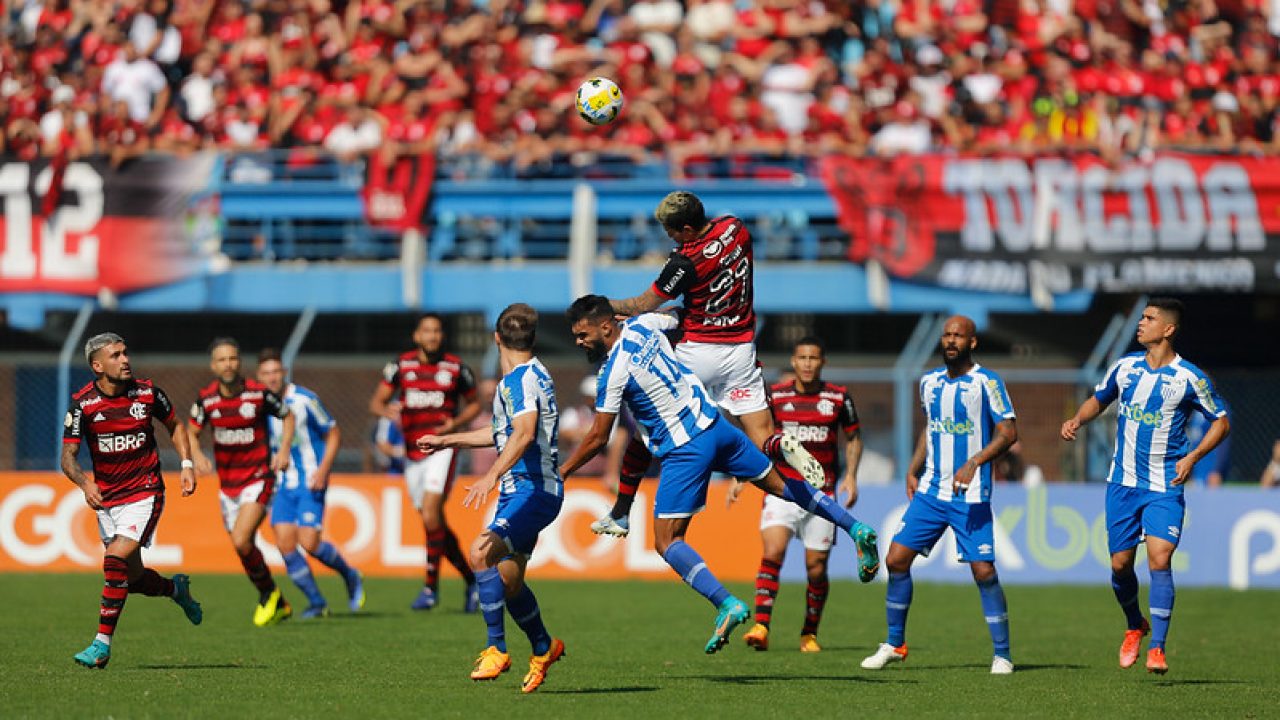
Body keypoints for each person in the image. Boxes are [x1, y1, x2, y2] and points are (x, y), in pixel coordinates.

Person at [561, 295, 880, 654]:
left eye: (582, 333)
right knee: (782, 486)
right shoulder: (644, 325)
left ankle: (726, 603)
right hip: (716, 425)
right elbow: (682, 318)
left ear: (606, 327)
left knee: (667, 542)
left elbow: (597, 437)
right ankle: (856, 528)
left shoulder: (611, 372)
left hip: (686, 447)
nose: (578, 342)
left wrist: (564, 471)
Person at [593, 190, 824, 536]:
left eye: (671, 231)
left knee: (645, 432)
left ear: (687, 228)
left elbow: (643, 304)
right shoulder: (736, 228)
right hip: (742, 347)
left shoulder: (684, 263)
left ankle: (622, 511)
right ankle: (784, 446)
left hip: (698, 350)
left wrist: (599, 306)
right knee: (762, 435)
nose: (669, 237)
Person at [1062, 298, 1230, 675]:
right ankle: (1135, 623)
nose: (1141, 323)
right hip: (1122, 483)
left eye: (1149, 318)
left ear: (1168, 329)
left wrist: (1192, 458)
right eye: (1142, 316)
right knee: (1121, 566)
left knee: (1159, 559)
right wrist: (1077, 419)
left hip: (1163, 485)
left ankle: (1158, 648)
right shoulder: (1124, 368)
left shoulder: (1189, 378)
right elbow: (1098, 399)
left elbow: (1221, 422)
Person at [417, 304, 566, 694]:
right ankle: (543, 646)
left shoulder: (518, 381)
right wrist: (447, 440)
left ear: (496, 339)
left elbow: (524, 432)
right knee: (508, 580)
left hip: (532, 490)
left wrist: (490, 474)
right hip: (526, 491)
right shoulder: (531, 375)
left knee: (479, 552)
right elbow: (503, 433)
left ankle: (496, 648)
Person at [861, 316, 1019, 675]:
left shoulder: (987, 382)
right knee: (896, 560)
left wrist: (975, 461)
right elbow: (930, 430)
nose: (950, 341)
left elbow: (1008, 432)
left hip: (970, 493)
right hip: (931, 491)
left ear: (972, 342)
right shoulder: (928, 382)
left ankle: (1003, 654)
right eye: (946, 335)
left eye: (958, 336)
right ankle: (895, 643)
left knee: (983, 570)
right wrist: (913, 469)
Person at [62, 333, 203, 669]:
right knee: (132, 578)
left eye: (125, 353)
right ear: (97, 366)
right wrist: (84, 483)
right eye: (116, 355)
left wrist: (186, 464)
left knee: (114, 560)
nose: (125, 360)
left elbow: (176, 426)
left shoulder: (148, 393)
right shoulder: (83, 404)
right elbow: (67, 456)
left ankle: (101, 645)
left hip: (145, 491)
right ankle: (175, 590)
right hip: (108, 500)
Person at [741, 336, 863, 654]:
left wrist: (851, 474)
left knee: (816, 567)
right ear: (793, 362)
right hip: (783, 490)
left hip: (822, 495)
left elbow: (853, 438)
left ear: (822, 362)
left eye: (814, 358)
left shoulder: (838, 398)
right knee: (773, 551)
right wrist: (744, 473)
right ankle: (762, 626)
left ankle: (809, 633)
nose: (808, 363)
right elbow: (760, 436)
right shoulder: (776, 396)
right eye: (802, 358)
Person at [369, 313, 481, 611]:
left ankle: (430, 589)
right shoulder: (400, 366)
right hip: (412, 452)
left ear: (441, 336)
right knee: (433, 523)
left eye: (436, 331)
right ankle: (472, 582)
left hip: (442, 448)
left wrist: (454, 424)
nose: (432, 336)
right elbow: (376, 402)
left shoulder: (456, 368)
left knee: (431, 512)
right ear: (417, 336)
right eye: (426, 331)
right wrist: (387, 411)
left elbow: (474, 405)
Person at [188, 337, 296, 627]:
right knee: (242, 547)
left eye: (233, 359)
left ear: (240, 362)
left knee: (241, 538)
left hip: (259, 477)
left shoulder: (258, 394)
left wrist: (284, 449)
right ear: (213, 365)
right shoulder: (207, 399)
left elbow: (288, 417)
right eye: (222, 360)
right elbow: (191, 431)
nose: (228, 364)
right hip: (228, 485)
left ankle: (267, 597)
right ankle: (274, 597)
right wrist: (196, 455)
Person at [256, 348, 365, 619]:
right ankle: (317, 602)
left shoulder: (304, 400)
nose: (271, 378)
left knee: (309, 542)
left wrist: (324, 469)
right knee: (284, 543)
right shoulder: (260, 404)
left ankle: (350, 575)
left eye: (275, 372)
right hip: (283, 484)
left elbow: (334, 433)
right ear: (259, 376)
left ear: (284, 372)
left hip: (310, 480)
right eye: (266, 373)